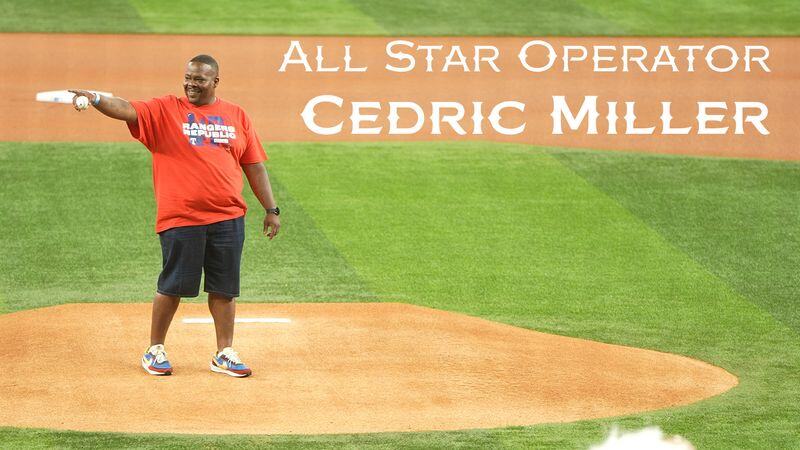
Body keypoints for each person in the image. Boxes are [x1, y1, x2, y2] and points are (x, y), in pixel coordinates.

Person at [69, 54, 280, 378]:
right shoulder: (165, 110)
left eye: (199, 79)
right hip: (182, 217)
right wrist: (95, 97)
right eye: (188, 78)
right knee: (173, 286)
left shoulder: (236, 115)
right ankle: (155, 348)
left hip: (227, 219)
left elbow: (254, 165)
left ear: (215, 82)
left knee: (224, 289)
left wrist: (271, 209)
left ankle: (224, 352)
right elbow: (126, 108)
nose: (191, 84)